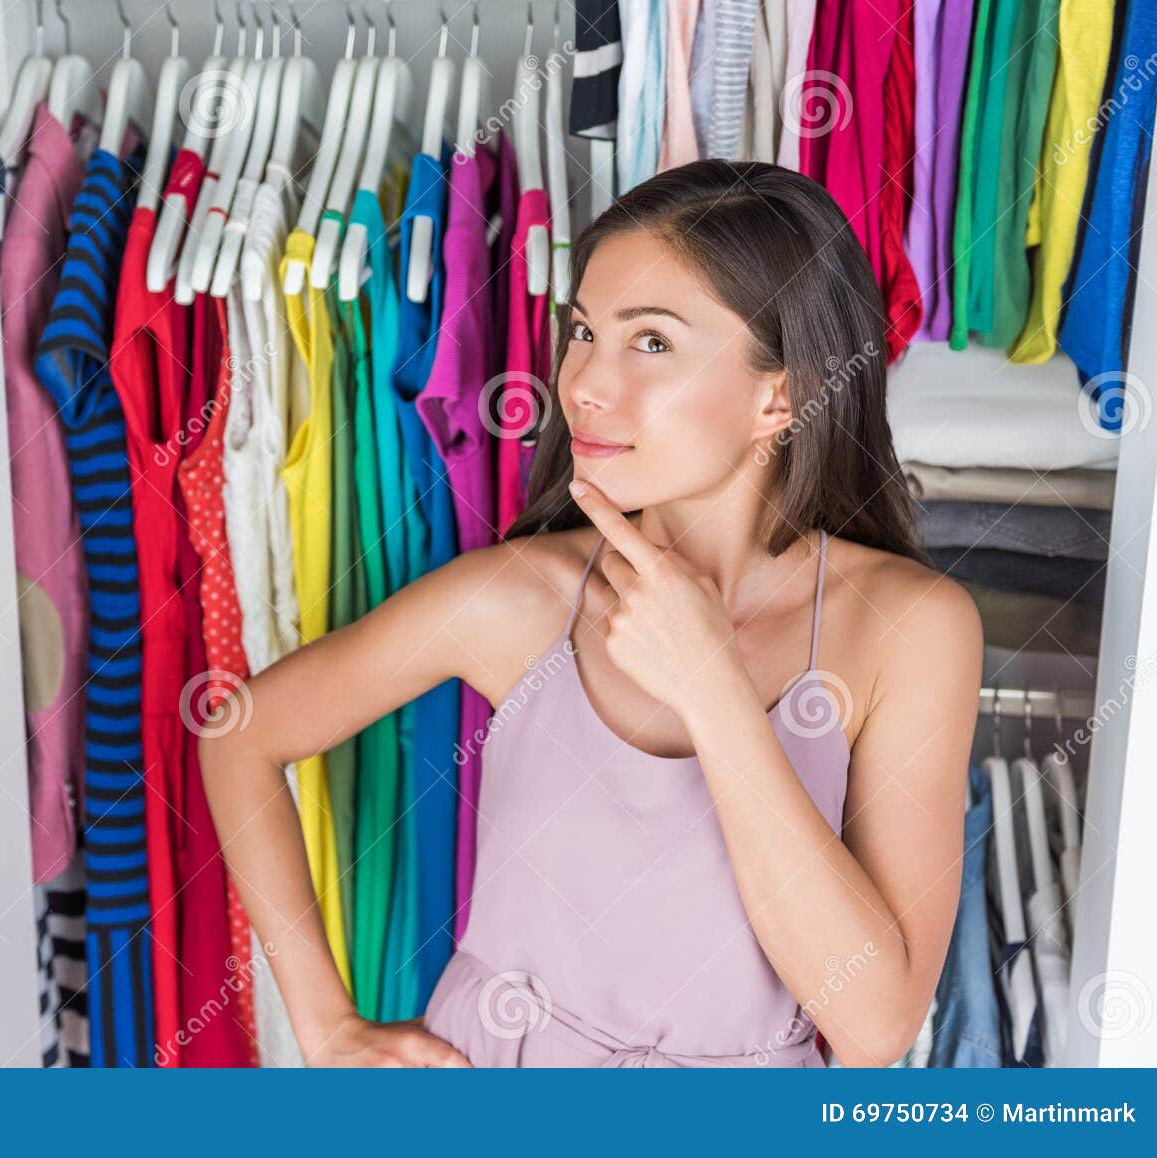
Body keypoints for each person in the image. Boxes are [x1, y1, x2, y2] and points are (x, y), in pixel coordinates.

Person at [198, 159, 982, 1068]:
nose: (583, 386)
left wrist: (713, 690)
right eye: (582, 332)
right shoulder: (520, 597)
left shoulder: (909, 627)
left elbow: (878, 1027)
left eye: (650, 342)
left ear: (784, 395)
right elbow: (238, 732)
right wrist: (326, 1027)